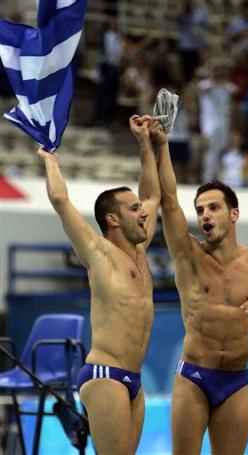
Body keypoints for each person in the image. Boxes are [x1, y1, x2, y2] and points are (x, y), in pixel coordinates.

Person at [153, 126, 248, 454]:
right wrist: (162, 146)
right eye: (201, 209)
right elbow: (168, 202)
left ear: (233, 214)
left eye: (213, 208)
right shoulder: (187, 255)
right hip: (193, 376)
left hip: (235, 381)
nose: (205, 214)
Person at [37, 115, 161, 454]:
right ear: (113, 219)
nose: (144, 213)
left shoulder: (140, 251)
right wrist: (50, 160)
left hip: (133, 380)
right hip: (106, 374)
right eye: (134, 209)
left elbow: (153, 193)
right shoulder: (99, 253)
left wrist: (145, 144)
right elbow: (61, 201)